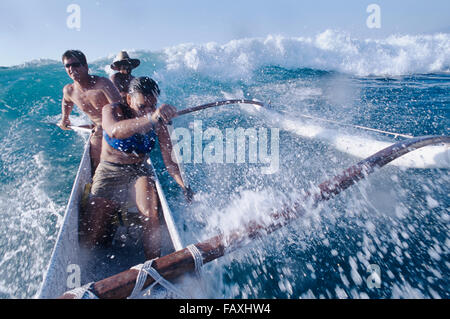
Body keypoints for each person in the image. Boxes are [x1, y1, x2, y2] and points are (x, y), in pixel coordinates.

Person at [80, 76, 193, 260]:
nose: (147, 111)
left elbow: (170, 162)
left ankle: (153, 265)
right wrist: (151, 118)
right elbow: (114, 130)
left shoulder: (158, 121)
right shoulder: (111, 110)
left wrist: (183, 186)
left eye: (152, 106)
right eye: (142, 107)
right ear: (129, 100)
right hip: (110, 170)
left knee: (150, 212)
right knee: (93, 234)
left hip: (138, 170)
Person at [58, 50, 121, 172]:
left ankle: (101, 175)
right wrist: (65, 119)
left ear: (85, 66)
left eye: (75, 65)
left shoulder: (102, 84)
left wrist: (107, 127)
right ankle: (96, 174)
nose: (71, 68)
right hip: (97, 127)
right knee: (95, 136)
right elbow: (67, 101)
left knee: (96, 141)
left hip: (115, 126)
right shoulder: (69, 90)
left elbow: (121, 111)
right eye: (67, 66)